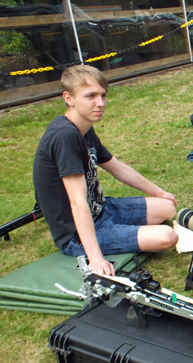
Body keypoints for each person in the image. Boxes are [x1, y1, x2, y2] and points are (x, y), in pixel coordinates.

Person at [33, 65, 178, 276]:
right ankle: (106, 240)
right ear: (68, 98)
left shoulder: (84, 128)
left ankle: (128, 225)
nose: (100, 103)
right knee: (168, 236)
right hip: (78, 234)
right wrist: (96, 258)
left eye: (103, 95)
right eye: (90, 96)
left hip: (103, 209)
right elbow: (77, 201)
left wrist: (161, 193)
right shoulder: (65, 136)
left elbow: (117, 168)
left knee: (168, 207)